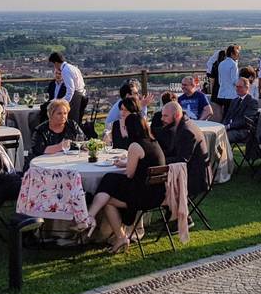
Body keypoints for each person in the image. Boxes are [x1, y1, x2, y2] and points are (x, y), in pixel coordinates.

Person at [87, 113, 166, 254]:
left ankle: (119, 236)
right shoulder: (153, 141)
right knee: (110, 180)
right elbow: (143, 164)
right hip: (157, 193)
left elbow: (129, 174)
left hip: (144, 197)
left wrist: (125, 165)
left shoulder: (135, 146)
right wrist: (125, 163)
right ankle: (110, 230)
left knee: (109, 186)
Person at [157, 101, 211, 197]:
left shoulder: (186, 131)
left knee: (155, 186)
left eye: (165, 116)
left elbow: (182, 160)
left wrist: (158, 161)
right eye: (162, 115)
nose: (162, 119)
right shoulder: (182, 124)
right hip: (191, 171)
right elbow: (174, 151)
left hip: (194, 180)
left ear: (177, 115)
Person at [48, 52, 86, 125]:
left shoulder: (65, 70)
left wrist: (62, 104)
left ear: (56, 63)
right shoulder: (73, 67)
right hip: (80, 95)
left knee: (70, 121)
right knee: (75, 121)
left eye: (53, 64)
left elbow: (70, 91)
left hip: (75, 97)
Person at [221, 78, 258, 143]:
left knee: (223, 136)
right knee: (216, 134)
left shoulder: (252, 102)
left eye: (240, 87)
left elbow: (245, 121)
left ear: (247, 88)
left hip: (243, 131)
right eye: (236, 86)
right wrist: (223, 126)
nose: (237, 89)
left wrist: (229, 126)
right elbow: (227, 116)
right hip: (232, 129)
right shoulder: (234, 101)